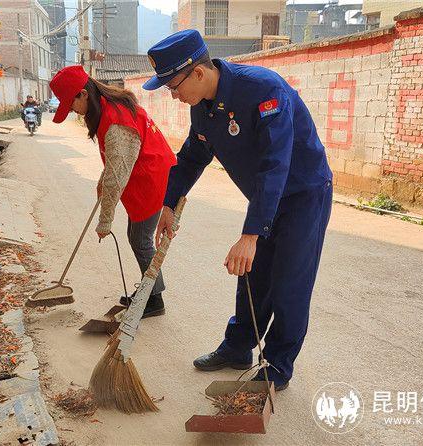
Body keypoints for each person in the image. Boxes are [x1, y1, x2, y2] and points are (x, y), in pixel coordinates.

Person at [144, 30, 333, 390]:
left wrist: (250, 234)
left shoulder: (264, 90)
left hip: (303, 195)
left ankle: (277, 366)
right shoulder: (203, 109)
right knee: (253, 275)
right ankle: (237, 348)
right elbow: (191, 157)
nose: (173, 95)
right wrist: (169, 203)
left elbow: (275, 166)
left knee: (288, 282)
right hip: (265, 197)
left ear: (198, 73)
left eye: (173, 86)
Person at [49, 65, 177, 318]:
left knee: (140, 239)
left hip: (152, 179)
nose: (73, 111)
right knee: (136, 237)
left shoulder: (115, 119)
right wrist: (102, 180)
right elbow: (115, 164)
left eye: (71, 104)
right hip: (147, 174)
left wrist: (105, 221)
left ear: (84, 94)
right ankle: (151, 293)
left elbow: (117, 176)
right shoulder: (109, 106)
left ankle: (154, 300)